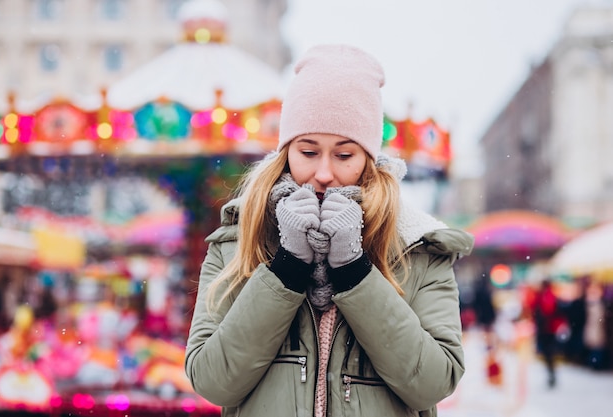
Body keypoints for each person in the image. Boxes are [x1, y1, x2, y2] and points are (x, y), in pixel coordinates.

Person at [184, 44, 474, 417]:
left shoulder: (417, 249)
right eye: (308, 152)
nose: (323, 173)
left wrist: (355, 270)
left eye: (343, 155)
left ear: (368, 158)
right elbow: (212, 381)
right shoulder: (237, 243)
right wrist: (285, 268)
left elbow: (433, 383)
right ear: (286, 151)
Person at [533, 278, 563, 388]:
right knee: (549, 353)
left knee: (548, 353)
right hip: (548, 330)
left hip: (546, 330)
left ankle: (551, 374)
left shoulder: (546, 296)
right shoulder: (549, 296)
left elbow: (546, 312)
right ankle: (551, 373)